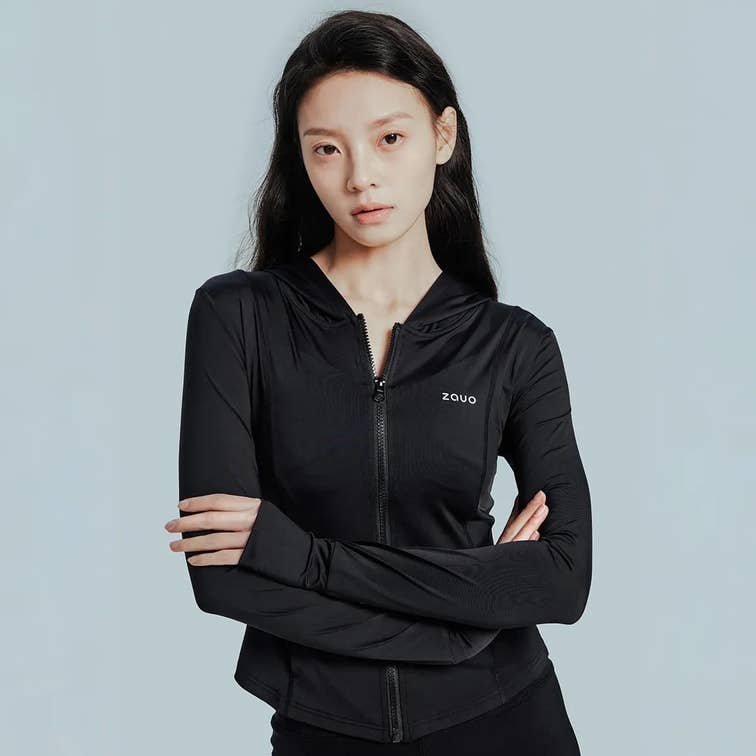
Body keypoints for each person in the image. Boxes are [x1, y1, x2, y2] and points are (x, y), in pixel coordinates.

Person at [164, 9, 591, 755]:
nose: (360, 176)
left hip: (509, 719)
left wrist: (305, 558)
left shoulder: (514, 346)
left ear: (443, 137)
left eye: (389, 138)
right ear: (302, 161)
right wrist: (468, 615)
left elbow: (562, 579)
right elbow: (224, 579)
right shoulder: (238, 317)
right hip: (326, 729)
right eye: (326, 149)